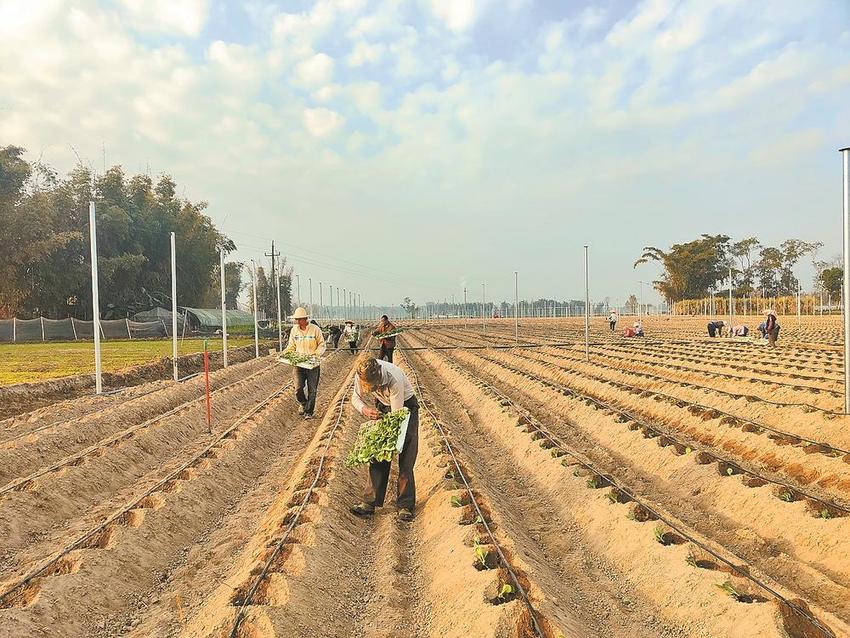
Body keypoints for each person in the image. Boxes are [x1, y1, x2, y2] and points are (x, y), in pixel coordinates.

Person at [349, 357, 419, 522]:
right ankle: (370, 502)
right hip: (383, 406)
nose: (372, 388)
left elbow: (397, 416)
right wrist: (365, 410)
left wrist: (393, 440)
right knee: (378, 452)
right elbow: (355, 398)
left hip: (405, 408)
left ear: (379, 376)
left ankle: (405, 505)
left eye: (375, 385)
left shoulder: (393, 378)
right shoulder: (361, 374)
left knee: (406, 454)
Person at [283, 307, 326, 419]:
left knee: (312, 390)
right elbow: (291, 346)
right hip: (299, 364)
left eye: (300, 319)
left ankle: (309, 412)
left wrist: (316, 354)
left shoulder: (315, 329)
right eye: (296, 319)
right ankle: (303, 403)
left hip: (312, 364)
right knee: (298, 388)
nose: (298, 321)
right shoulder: (294, 330)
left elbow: (322, 344)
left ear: (305, 319)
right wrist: (286, 353)